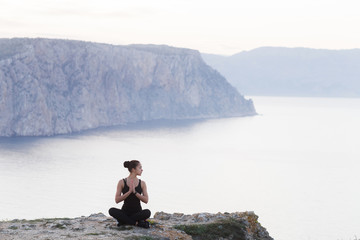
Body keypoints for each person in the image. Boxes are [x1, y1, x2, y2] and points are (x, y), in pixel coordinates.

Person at [108, 160, 151, 228]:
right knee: (111, 210)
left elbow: (146, 200)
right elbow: (117, 200)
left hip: (137, 213)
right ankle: (136, 223)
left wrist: (135, 192)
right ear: (133, 169)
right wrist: (129, 192)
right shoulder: (122, 182)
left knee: (147, 212)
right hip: (125, 212)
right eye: (140, 168)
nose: (142, 170)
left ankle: (125, 221)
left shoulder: (142, 183)